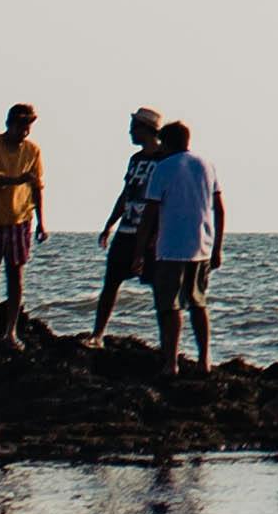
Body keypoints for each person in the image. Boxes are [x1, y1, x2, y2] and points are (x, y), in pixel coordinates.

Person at [145, 119, 227, 368]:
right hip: (201, 245)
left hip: (171, 247)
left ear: (166, 142)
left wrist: (140, 249)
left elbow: (151, 212)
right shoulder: (206, 165)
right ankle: (204, 359)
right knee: (198, 303)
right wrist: (217, 247)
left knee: (170, 307)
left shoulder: (163, 168)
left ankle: (171, 362)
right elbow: (219, 209)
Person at [86, 108, 170, 339]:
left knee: (158, 288)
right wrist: (109, 224)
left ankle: (167, 344)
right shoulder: (136, 159)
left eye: (134, 128)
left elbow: (167, 199)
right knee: (111, 283)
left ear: (147, 130)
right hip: (126, 229)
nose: (130, 132)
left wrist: (157, 234)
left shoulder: (165, 159)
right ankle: (98, 335)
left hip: (151, 231)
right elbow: (126, 193)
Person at [0, 105, 46, 348]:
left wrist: (42, 222)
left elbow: (37, 187)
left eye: (28, 127)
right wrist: (18, 180)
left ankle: (11, 332)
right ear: (10, 124)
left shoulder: (33, 150)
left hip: (21, 218)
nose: (24, 132)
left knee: (16, 275)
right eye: (21, 126)